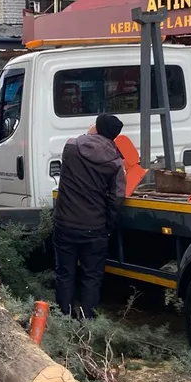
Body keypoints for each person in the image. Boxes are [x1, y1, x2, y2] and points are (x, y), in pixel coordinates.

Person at [52, 113, 125, 319]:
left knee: (65, 274)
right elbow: (117, 197)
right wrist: (107, 224)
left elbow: (83, 141)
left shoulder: (72, 148)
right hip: (95, 227)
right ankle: (88, 319)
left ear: (96, 128)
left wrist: (90, 133)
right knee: (91, 277)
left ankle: (64, 317)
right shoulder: (115, 162)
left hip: (65, 224)